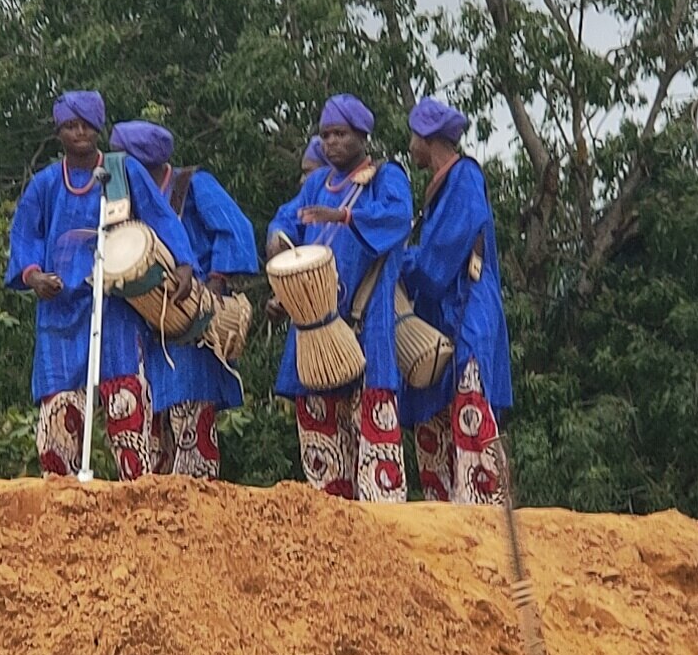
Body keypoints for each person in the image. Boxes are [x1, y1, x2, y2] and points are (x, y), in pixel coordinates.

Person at [5, 91, 198, 480]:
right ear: (59, 131)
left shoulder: (122, 171)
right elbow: (24, 237)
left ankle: (135, 497)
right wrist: (33, 276)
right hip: (60, 311)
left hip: (116, 305)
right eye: (70, 126)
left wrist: (183, 264)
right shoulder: (45, 184)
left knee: (126, 400)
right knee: (60, 409)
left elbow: (161, 218)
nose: (79, 132)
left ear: (98, 128)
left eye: (86, 125)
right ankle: (62, 501)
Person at [266, 94, 413, 501]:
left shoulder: (387, 177)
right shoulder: (316, 183)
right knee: (321, 435)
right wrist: (278, 246)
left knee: (372, 432)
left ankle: (381, 528)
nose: (331, 143)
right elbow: (285, 219)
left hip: (365, 319)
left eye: (341, 134)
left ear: (362, 135)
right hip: (314, 327)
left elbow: (398, 218)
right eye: (326, 135)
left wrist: (347, 216)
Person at [109, 120, 258, 478]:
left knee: (189, 404)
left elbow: (235, 230)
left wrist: (215, 283)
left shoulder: (192, 184)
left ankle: (197, 490)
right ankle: (156, 496)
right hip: (145, 320)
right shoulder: (122, 196)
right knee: (150, 412)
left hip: (191, 315)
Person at [397, 99, 513, 503]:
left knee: (469, 401)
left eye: (413, 136)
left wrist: (400, 259)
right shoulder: (440, 185)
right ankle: (444, 506)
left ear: (428, 139)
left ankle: (483, 505)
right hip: (442, 314)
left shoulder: (463, 177)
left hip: (467, 313)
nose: (410, 144)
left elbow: (438, 260)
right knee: (434, 412)